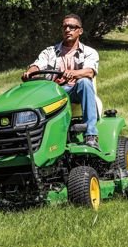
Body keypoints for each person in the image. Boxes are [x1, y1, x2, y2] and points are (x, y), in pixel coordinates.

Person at [21, 14, 101, 149]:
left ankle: (91, 135)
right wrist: (30, 72)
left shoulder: (89, 52)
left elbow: (89, 71)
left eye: (72, 27)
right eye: (65, 27)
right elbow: (38, 65)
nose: (68, 30)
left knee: (85, 82)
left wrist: (74, 74)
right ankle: (30, 140)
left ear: (80, 31)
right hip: (53, 93)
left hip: (75, 91)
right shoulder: (49, 52)